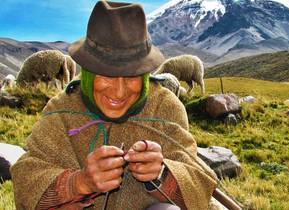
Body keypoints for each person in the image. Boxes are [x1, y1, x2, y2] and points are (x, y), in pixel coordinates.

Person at [10, 1, 218, 210]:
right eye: (107, 74)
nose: (119, 92)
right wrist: (79, 182)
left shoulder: (165, 106)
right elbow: (27, 182)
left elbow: (199, 186)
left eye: (132, 75)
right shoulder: (61, 111)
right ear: (89, 71)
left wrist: (161, 173)